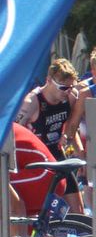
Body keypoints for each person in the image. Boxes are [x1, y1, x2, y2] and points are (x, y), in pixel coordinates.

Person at [16, 59, 84, 211]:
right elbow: (13, 132)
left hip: (56, 153)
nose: (67, 92)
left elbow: (72, 124)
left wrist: (68, 137)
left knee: (78, 211)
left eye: (71, 87)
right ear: (48, 81)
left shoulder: (71, 96)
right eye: (63, 88)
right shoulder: (32, 102)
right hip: (36, 160)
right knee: (40, 211)